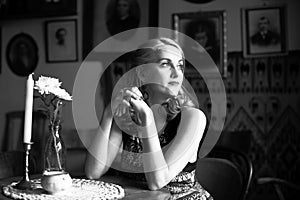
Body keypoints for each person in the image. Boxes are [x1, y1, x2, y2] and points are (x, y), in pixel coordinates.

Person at [85, 38, 213, 199]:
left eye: (180, 66)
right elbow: (93, 172)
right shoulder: (129, 114)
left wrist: (147, 123)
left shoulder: (193, 118)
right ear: (143, 73)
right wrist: (109, 113)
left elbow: (157, 181)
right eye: (165, 64)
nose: (176, 73)